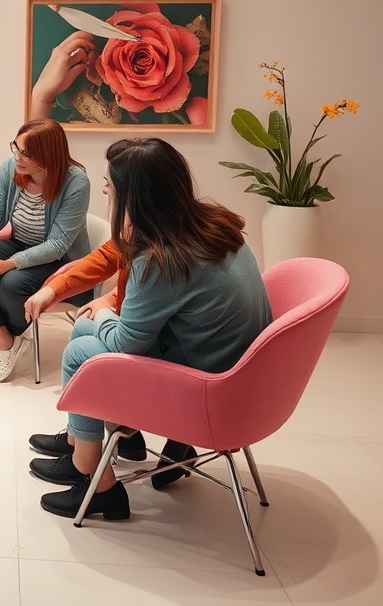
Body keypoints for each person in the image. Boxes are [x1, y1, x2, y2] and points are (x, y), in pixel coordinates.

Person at [30, 138, 272, 520]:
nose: (104, 189)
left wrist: (105, 311)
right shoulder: (211, 223)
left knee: (82, 348)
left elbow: (128, 339)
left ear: (133, 196)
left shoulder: (160, 257)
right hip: (240, 373)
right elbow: (115, 255)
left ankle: (97, 480)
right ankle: (81, 442)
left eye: (109, 183)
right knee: (85, 331)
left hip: (208, 387)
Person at [0, 118, 91, 383]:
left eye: (26, 153)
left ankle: (6, 343)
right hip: (20, 243)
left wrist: (8, 264)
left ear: (47, 155)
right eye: (16, 147)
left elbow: (57, 244)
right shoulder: (11, 167)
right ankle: (4, 342)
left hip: (58, 259)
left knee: (13, 284)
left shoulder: (76, 183)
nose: (17, 156)